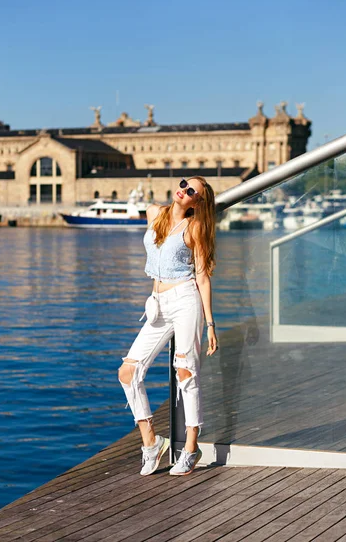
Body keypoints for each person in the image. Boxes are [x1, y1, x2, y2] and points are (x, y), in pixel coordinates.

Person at [118, 176, 218, 476]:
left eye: (191, 192)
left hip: (186, 300)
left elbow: (201, 276)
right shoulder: (153, 213)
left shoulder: (194, 227)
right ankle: (151, 442)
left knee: (186, 371)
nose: (184, 190)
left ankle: (190, 448)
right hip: (157, 303)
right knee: (128, 372)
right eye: (184, 183)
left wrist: (210, 323)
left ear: (196, 202)